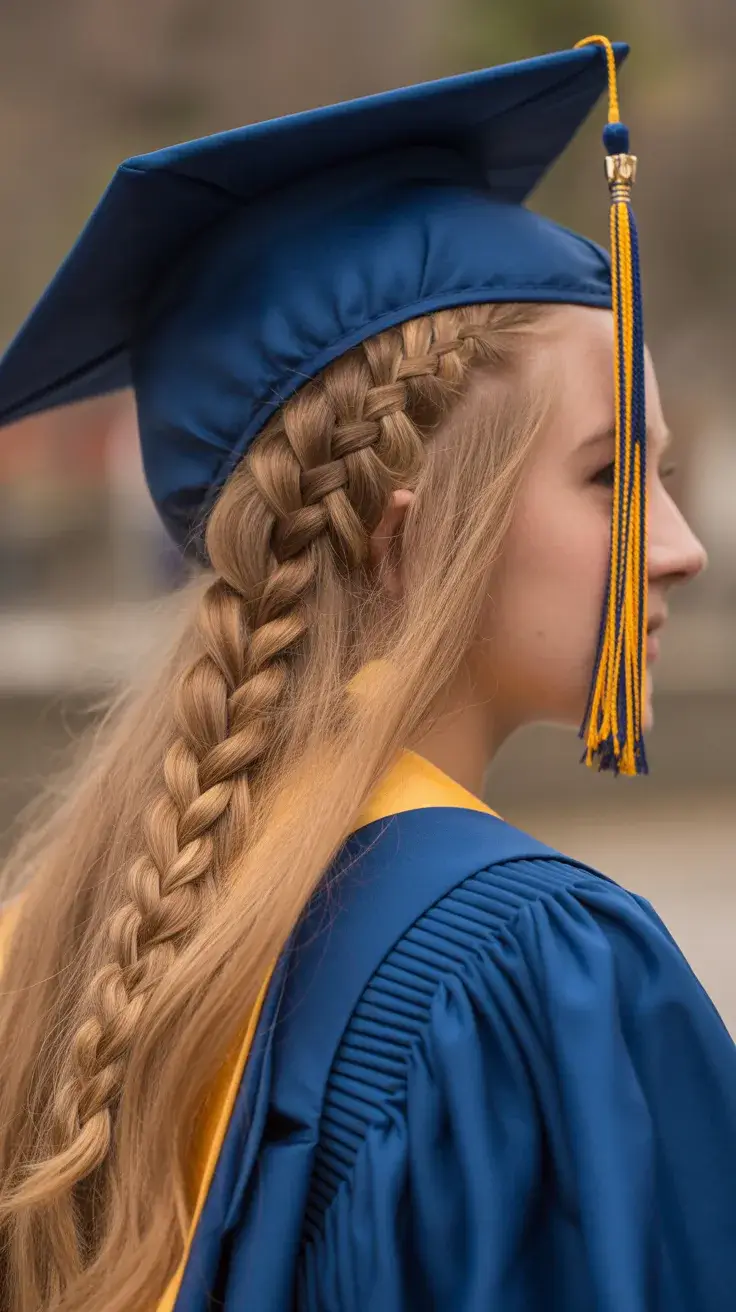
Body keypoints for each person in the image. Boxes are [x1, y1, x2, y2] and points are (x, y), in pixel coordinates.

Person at [0, 34, 733, 1312]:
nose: (680, 548)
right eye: (609, 474)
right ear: (403, 536)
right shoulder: (522, 967)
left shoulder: (67, 936)